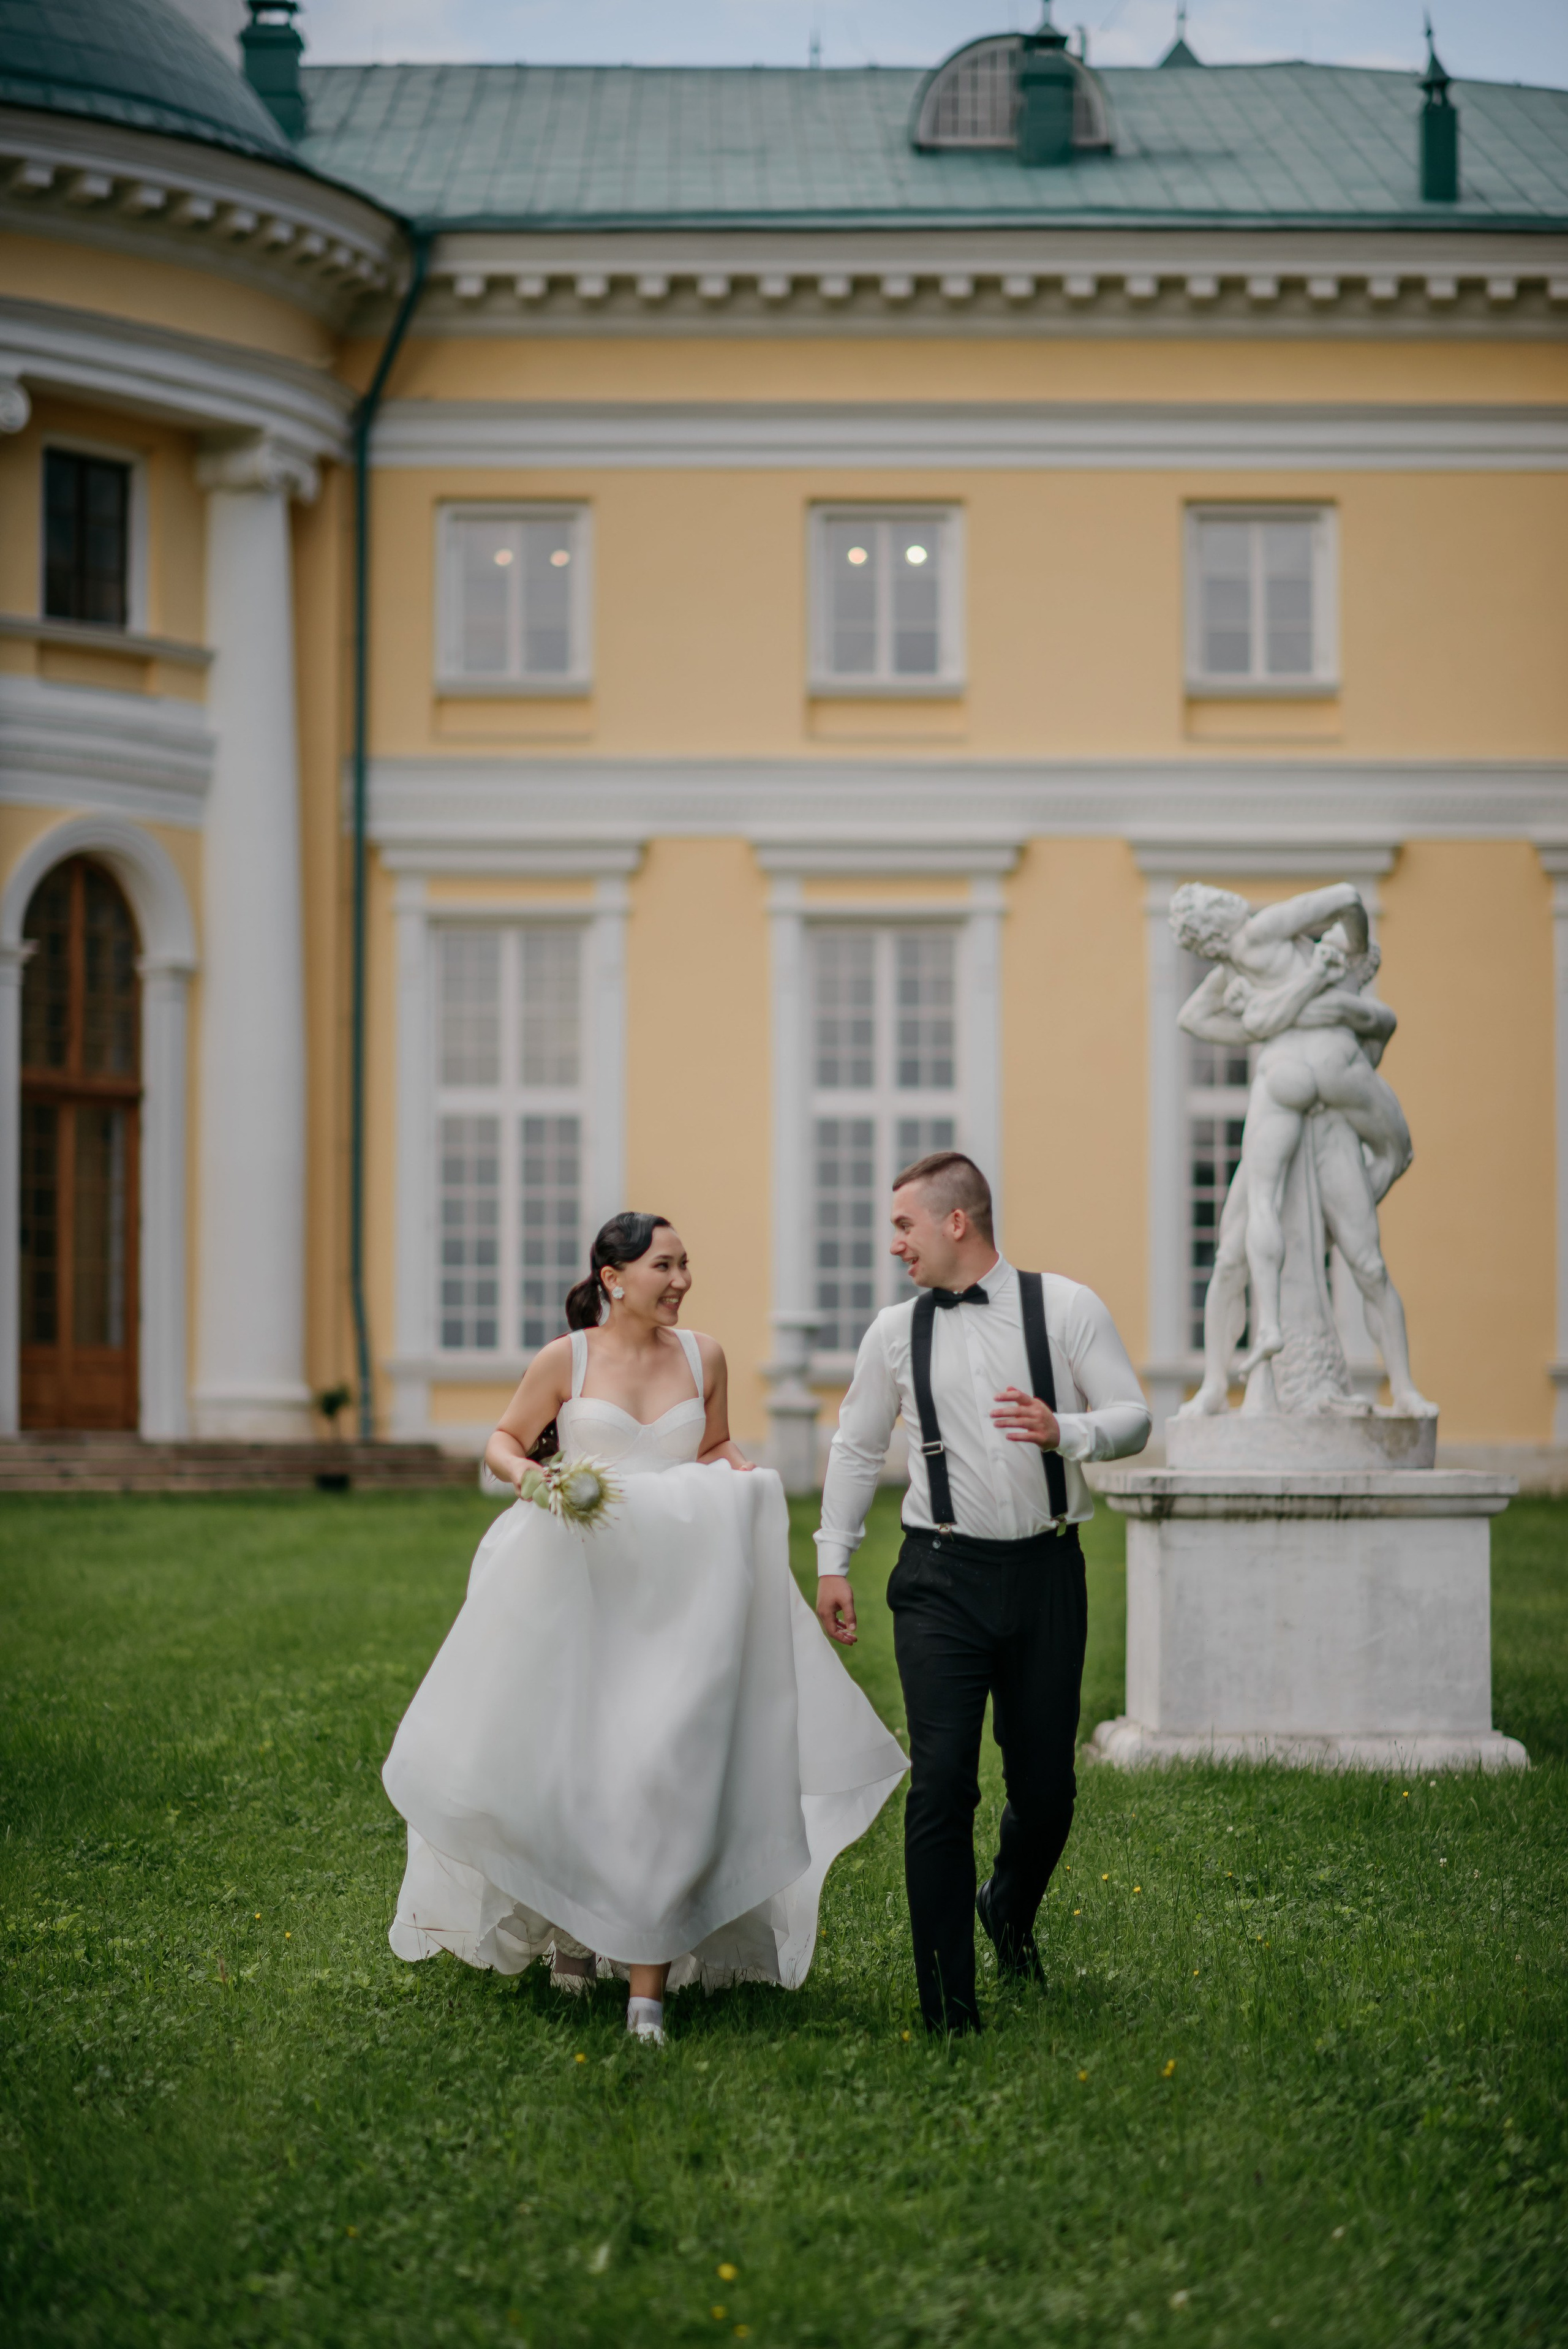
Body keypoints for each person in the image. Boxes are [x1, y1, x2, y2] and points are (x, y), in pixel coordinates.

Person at [383, 1212, 907, 2045]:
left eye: (687, 1263)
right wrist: (538, 1482)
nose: (682, 1280)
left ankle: (648, 1992)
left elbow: (716, 1444)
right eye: (665, 1264)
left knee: (666, 1765)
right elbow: (503, 1441)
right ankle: (575, 1932)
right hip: (580, 1585)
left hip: (683, 1595)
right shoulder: (569, 1358)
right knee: (577, 1760)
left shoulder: (706, 1355)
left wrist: (747, 1477)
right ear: (613, 1274)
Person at [813, 1153, 1150, 2035]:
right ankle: (948, 2006)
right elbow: (854, 1448)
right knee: (941, 1788)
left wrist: (1065, 1427)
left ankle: (1006, 1903)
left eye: (903, 1227)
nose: (895, 1245)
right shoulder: (893, 1331)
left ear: (955, 1221)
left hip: (1046, 1573)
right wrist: (832, 1558)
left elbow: (1134, 1415)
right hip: (940, 1577)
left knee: (1046, 1791)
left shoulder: (1068, 1306)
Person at [1175, 930, 1434, 1419]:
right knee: (1231, 1257)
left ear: (1357, 972)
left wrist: (1352, 1210)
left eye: (1341, 961)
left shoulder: (1356, 1015)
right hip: (1273, 1115)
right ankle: (1213, 1383)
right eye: (1323, 955)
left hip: (1332, 1130)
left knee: (1369, 1265)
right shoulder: (1283, 991)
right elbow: (1196, 1017)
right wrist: (1243, 970)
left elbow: (1396, 1146)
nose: (1328, 963)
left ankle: (1404, 1388)